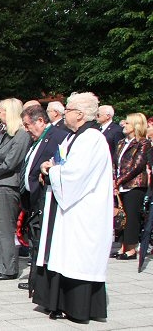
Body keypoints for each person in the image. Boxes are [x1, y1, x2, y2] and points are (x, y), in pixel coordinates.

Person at [33, 92, 113, 323]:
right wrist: (52, 166)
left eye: (67, 109)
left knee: (78, 258)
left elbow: (75, 174)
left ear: (79, 114)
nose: (64, 113)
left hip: (83, 209)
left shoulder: (91, 138)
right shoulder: (74, 137)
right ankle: (60, 302)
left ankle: (78, 307)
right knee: (66, 254)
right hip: (70, 206)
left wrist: (51, 171)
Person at [17, 104, 68, 291]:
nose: (26, 129)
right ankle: (35, 280)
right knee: (35, 242)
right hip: (33, 199)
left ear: (40, 121)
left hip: (44, 199)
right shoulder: (38, 138)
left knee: (41, 242)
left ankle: (39, 282)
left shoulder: (57, 137)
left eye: (27, 124)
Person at [0, 98, 32, 280]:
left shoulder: (20, 135)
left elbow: (11, 162)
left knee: (5, 228)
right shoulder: (6, 133)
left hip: (8, 185)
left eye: (1, 111)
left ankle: (9, 268)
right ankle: (0, 264)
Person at [112, 113, 150, 260]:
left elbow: (137, 166)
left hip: (135, 185)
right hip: (120, 184)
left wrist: (119, 180)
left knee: (132, 216)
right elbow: (116, 163)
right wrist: (115, 179)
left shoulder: (143, 143)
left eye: (127, 123)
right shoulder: (121, 142)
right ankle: (122, 246)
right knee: (121, 216)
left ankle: (132, 248)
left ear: (136, 126)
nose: (124, 125)